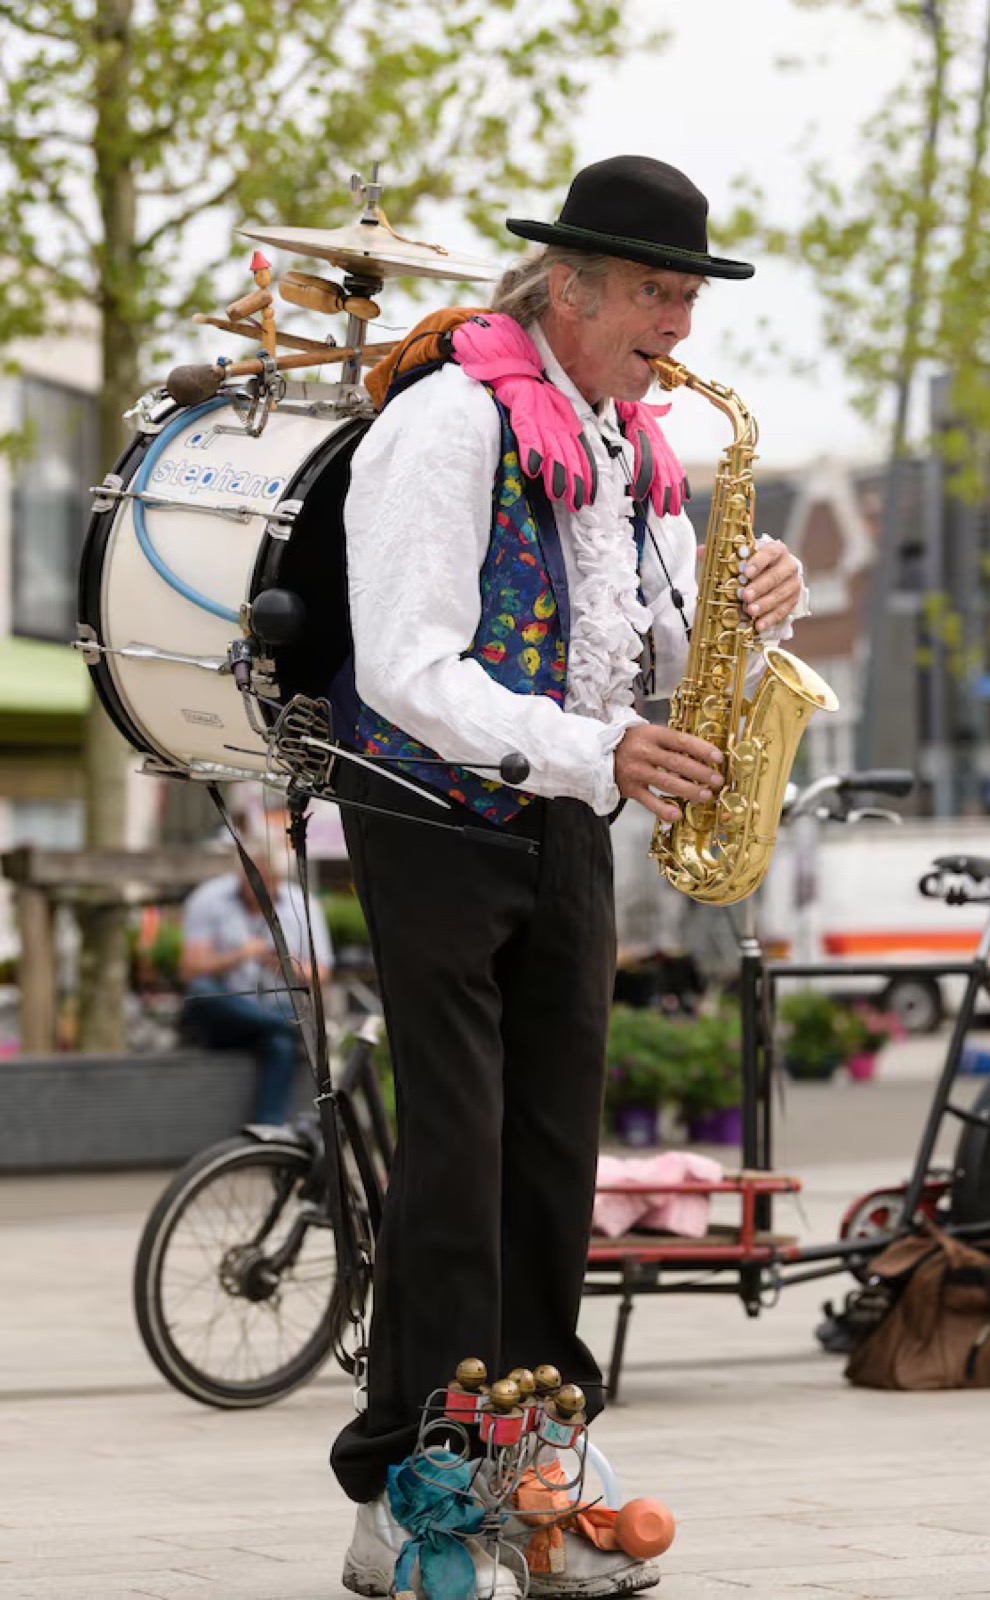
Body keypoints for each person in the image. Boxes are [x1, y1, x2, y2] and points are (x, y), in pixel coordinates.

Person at [330, 155, 808, 1597]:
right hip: (426, 807)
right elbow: (408, 670)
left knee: (546, 1158)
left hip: (563, 812)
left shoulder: (634, 448)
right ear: (572, 286)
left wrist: (746, 608)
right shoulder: (445, 423)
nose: (680, 324)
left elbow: (656, 659)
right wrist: (595, 750)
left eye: (687, 295)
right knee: (460, 1152)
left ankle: (525, 1448)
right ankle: (426, 1477)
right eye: (659, 294)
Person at [179, 811, 333, 1125]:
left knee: (279, 1045)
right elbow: (189, 969)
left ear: (278, 878)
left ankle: (266, 1129)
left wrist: (280, 961)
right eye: (252, 879)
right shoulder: (209, 898)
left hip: (274, 1007)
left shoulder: (302, 904)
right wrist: (239, 955)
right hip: (225, 1011)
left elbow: (322, 976)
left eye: (266, 880)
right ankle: (290, 1028)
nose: (258, 889)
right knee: (202, 992)